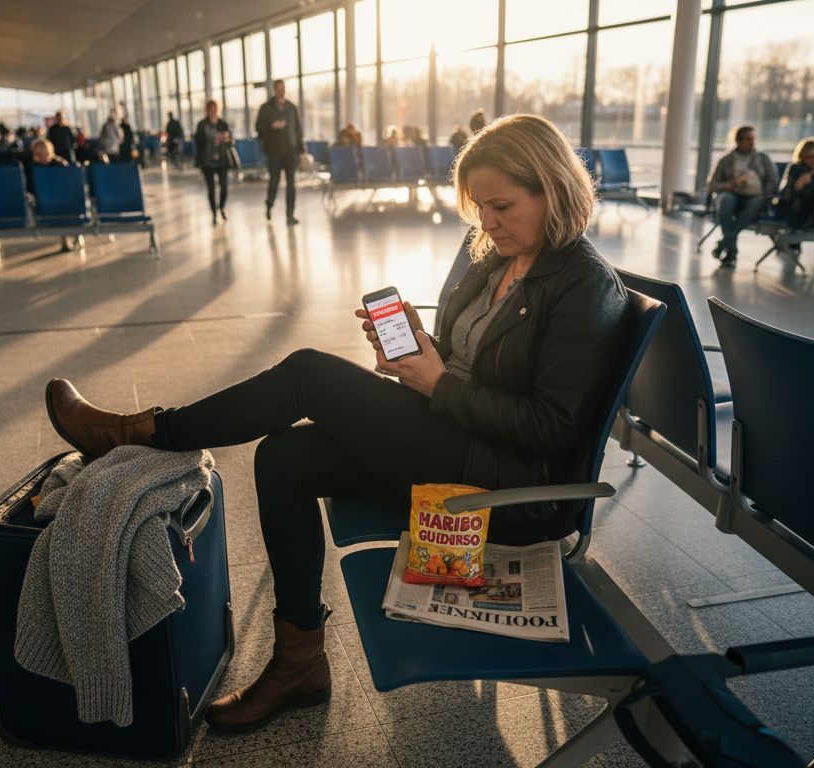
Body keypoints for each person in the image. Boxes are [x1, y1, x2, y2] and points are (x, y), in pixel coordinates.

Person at [42, 113, 631, 732]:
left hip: (506, 488)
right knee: (283, 459)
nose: (486, 222)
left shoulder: (585, 286)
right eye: (480, 206)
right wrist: (416, 353)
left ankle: (140, 431)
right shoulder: (498, 258)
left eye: (502, 205)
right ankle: (300, 662)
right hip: (454, 436)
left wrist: (437, 383)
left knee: (310, 375)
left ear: (553, 188)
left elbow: (550, 428)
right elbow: (475, 361)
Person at [706, 124, 776, 267]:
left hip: (755, 196)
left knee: (756, 202)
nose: (752, 142)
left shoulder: (763, 158)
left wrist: (764, 192)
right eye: (747, 139)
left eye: (753, 139)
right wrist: (731, 184)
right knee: (725, 200)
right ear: (738, 140)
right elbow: (712, 185)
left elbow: (773, 180)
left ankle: (725, 245)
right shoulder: (726, 160)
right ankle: (730, 248)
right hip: (732, 194)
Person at [255, 79, 304, 225]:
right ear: (274, 90)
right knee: (274, 182)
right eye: (278, 88)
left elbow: (297, 130)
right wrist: (271, 126)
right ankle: (269, 204)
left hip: (290, 151)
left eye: (283, 88)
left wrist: (300, 150)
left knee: (291, 184)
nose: (281, 91)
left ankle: (290, 215)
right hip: (274, 152)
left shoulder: (291, 107)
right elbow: (258, 127)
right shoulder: (265, 108)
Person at [26, 139, 81, 252]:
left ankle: (75, 236)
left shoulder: (60, 165)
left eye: (45, 153)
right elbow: (30, 188)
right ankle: (65, 239)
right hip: (46, 201)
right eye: (39, 154)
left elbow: (69, 184)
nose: (43, 157)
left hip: (62, 198)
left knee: (66, 210)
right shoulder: (33, 168)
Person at [194, 100, 233, 225]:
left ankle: (221, 207)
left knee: (224, 188)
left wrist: (225, 139)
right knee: (211, 189)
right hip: (207, 162)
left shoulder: (223, 124)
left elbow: (230, 142)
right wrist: (211, 141)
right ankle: (214, 213)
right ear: (207, 110)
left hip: (222, 161)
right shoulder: (201, 125)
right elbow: (198, 142)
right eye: (210, 108)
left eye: (214, 108)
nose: (213, 111)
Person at [777, 137, 814, 227]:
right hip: (793, 208)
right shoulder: (796, 169)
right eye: (812, 156)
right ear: (803, 156)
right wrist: (798, 186)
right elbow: (786, 195)